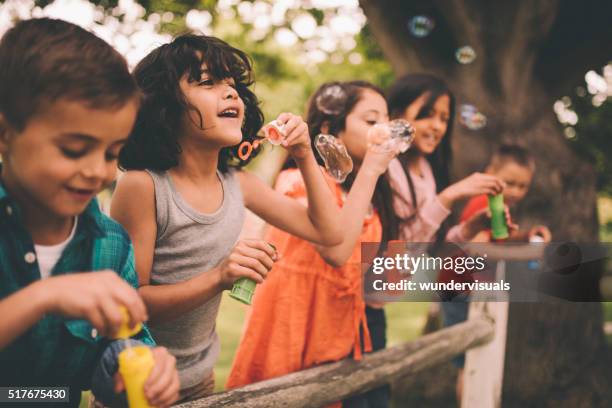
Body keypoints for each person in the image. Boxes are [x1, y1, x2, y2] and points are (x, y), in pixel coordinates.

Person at [111, 34, 343, 402]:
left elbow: (328, 232)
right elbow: (128, 303)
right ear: (164, 107)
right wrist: (219, 276)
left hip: (201, 381)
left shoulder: (240, 184)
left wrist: (303, 154)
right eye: (207, 82)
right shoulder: (144, 187)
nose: (231, 93)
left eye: (232, 85)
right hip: (140, 380)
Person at [0, 18, 178, 407]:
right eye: (74, 149)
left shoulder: (112, 245)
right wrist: (42, 297)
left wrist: (142, 367)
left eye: (112, 153)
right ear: (5, 133)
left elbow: (120, 346)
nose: (98, 169)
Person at [226, 81, 399, 407]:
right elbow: (337, 251)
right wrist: (373, 169)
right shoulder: (298, 183)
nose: (384, 130)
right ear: (329, 129)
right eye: (372, 120)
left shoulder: (368, 196)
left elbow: (373, 276)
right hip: (292, 333)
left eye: (387, 120)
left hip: (341, 339)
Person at [352, 74, 505, 407]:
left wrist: (469, 226)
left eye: (444, 118)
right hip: (353, 305)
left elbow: (428, 248)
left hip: (376, 308)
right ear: (396, 113)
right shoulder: (384, 167)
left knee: (376, 396)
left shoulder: (426, 170)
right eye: (427, 114)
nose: (437, 126)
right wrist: (448, 198)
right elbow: (396, 248)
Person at [441, 143, 551, 403]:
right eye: (510, 182)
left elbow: (499, 237)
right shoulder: (483, 202)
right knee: (469, 364)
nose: (516, 191)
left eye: (523, 186)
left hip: (472, 290)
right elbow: (481, 250)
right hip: (459, 290)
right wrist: (530, 254)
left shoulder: (498, 202)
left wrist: (526, 236)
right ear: (491, 173)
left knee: (479, 358)